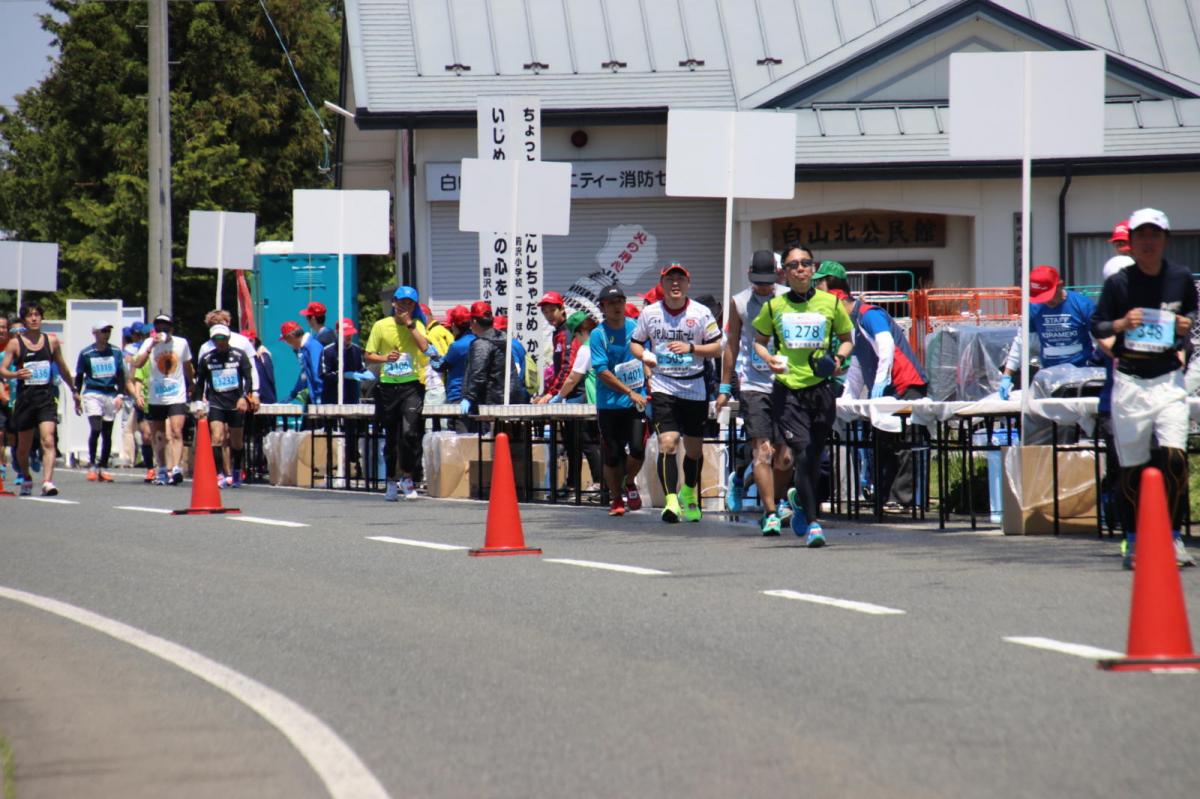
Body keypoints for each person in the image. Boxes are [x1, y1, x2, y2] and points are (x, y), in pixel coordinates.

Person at [1091, 208, 1197, 570]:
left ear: (1166, 239)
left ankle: (1172, 536)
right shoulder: (1119, 283)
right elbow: (1099, 325)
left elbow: (1191, 322)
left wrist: (1185, 331)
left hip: (1168, 380)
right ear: (1131, 244)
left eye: (1155, 235)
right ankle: (1134, 539)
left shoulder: (1180, 278)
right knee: (1132, 467)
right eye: (1141, 237)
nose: (1148, 243)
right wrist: (1122, 323)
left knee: (1174, 459)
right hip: (1131, 381)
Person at [753, 246, 853, 546]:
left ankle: (800, 505)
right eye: (793, 264)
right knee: (804, 452)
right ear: (784, 271)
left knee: (813, 459)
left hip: (821, 389)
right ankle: (813, 523)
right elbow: (759, 341)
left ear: (813, 269)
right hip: (789, 391)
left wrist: (836, 360)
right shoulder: (774, 306)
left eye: (805, 264)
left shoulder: (829, 303)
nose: (800, 269)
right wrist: (768, 358)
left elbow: (847, 340)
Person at [630, 262, 723, 523]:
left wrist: (691, 349)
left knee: (693, 450)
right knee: (668, 443)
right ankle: (671, 500)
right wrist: (646, 355)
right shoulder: (650, 313)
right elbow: (635, 343)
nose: (675, 284)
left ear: (687, 284)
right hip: (663, 385)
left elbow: (718, 347)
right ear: (662, 285)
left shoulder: (701, 312)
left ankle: (689, 493)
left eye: (680, 280)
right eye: (669, 279)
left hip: (694, 386)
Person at [718, 250, 793, 534]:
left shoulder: (789, 297)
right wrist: (725, 387)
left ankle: (780, 498)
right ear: (750, 276)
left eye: (769, 281)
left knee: (785, 457)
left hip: (787, 383)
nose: (764, 286)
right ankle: (771, 511)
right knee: (763, 451)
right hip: (753, 384)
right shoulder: (739, 303)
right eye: (759, 281)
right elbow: (731, 345)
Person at [839, 287, 929, 507]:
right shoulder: (851, 326)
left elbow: (886, 344)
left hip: (904, 384)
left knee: (903, 443)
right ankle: (885, 497)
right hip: (885, 392)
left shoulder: (869, 314)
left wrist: (881, 380)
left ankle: (903, 500)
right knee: (882, 443)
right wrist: (846, 399)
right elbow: (857, 366)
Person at [0, 302, 81, 496]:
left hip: (45, 397)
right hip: (25, 399)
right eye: (30, 316)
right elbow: (2, 368)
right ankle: (26, 476)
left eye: (37, 315)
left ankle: (47, 482)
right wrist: (15, 375)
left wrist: (74, 390)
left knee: (48, 439)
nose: (34, 318)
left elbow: (62, 367)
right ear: (24, 320)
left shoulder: (51, 341)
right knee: (23, 448)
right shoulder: (15, 343)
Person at [365, 286, 432, 501]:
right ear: (393, 302)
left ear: (414, 306)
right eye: (401, 302)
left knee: (410, 432)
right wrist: (386, 359)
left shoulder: (418, 325)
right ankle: (391, 480)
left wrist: (410, 325)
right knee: (392, 436)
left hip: (412, 385)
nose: (404, 306)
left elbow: (424, 348)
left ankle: (408, 477)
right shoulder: (380, 326)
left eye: (409, 303)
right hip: (387, 386)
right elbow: (368, 355)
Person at [590, 284, 648, 516]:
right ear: (603, 307)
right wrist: (628, 391)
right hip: (610, 404)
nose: (617, 306)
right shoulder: (598, 334)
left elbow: (646, 356)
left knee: (637, 449)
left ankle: (630, 482)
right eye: (611, 303)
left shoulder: (636, 328)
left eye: (620, 301)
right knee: (613, 454)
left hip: (635, 403)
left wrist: (649, 374)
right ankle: (616, 498)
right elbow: (602, 371)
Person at [999, 265, 1097, 400]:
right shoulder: (1033, 308)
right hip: (1049, 375)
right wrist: (1007, 376)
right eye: (1041, 297)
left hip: (1082, 376)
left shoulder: (1082, 305)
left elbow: (1102, 340)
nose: (1046, 301)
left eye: (1048, 295)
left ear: (1060, 285)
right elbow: (1022, 342)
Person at [131, 314, 194, 485]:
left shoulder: (181, 343)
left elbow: (188, 366)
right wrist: (152, 345)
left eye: (165, 327)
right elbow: (137, 364)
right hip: (156, 395)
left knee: (176, 431)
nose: (162, 330)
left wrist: (192, 384)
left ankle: (176, 468)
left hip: (176, 394)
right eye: (158, 327)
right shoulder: (148, 343)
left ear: (171, 329)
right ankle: (163, 468)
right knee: (158, 434)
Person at [191, 323, 256, 488]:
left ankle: (235, 471)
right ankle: (219, 473)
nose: (220, 342)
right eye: (216, 339)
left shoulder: (239, 355)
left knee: (236, 442)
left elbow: (248, 379)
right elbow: (200, 384)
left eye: (222, 338)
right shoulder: (207, 358)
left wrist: (245, 398)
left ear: (228, 339)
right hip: (216, 403)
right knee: (217, 438)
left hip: (235, 403)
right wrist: (199, 405)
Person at [551, 310, 603, 497]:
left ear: (581, 331)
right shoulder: (604, 341)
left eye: (576, 336)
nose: (576, 340)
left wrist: (558, 396)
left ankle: (599, 483)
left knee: (588, 442)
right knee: (601, 442)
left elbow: (573, 377)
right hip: (609, 400)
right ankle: (606, 484)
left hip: (595, 400)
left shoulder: (587, 348)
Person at [75, 320, 127, 482]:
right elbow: (79, 376)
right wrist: (76, 395)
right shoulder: (86, 353)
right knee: (96, 428)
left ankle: (103, 466)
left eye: (108, 331)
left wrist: (120, 395)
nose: (106, 334)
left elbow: (121, 376)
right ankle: (92, 464)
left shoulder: (116, 352)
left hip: (110, 393)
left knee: (107, 432)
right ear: (95, 333)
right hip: (93, 393)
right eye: (103, 331)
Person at [533, 291, 572, 404]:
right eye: (545, 312)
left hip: (572, 394)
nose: (549, 315)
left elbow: (567, 366)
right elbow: (557, 369)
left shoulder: (566, 332)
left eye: (552, 310)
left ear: (562, 309)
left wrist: (551, 393)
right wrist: (546, 393)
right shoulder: (558, 332)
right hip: (564, 393)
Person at [320, 318, 369, 404]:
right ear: (338, 333)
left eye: (350, 333)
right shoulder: (328, 351)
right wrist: (342, 375)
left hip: (352, 397)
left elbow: (361, 369)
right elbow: (324, 374)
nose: (348, 336)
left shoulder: (357, 350)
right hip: (332, 398)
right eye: (346, 334)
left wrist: (364, 373)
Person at [280, 320, 324, 405]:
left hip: (319, 398)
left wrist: (319, 396)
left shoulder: (312, 347)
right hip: (312, 398)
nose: (287, 343)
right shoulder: (303, 349)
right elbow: (304, 374)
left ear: (291, 336)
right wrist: (294, 394)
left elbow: (317, 373)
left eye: (286, 340)